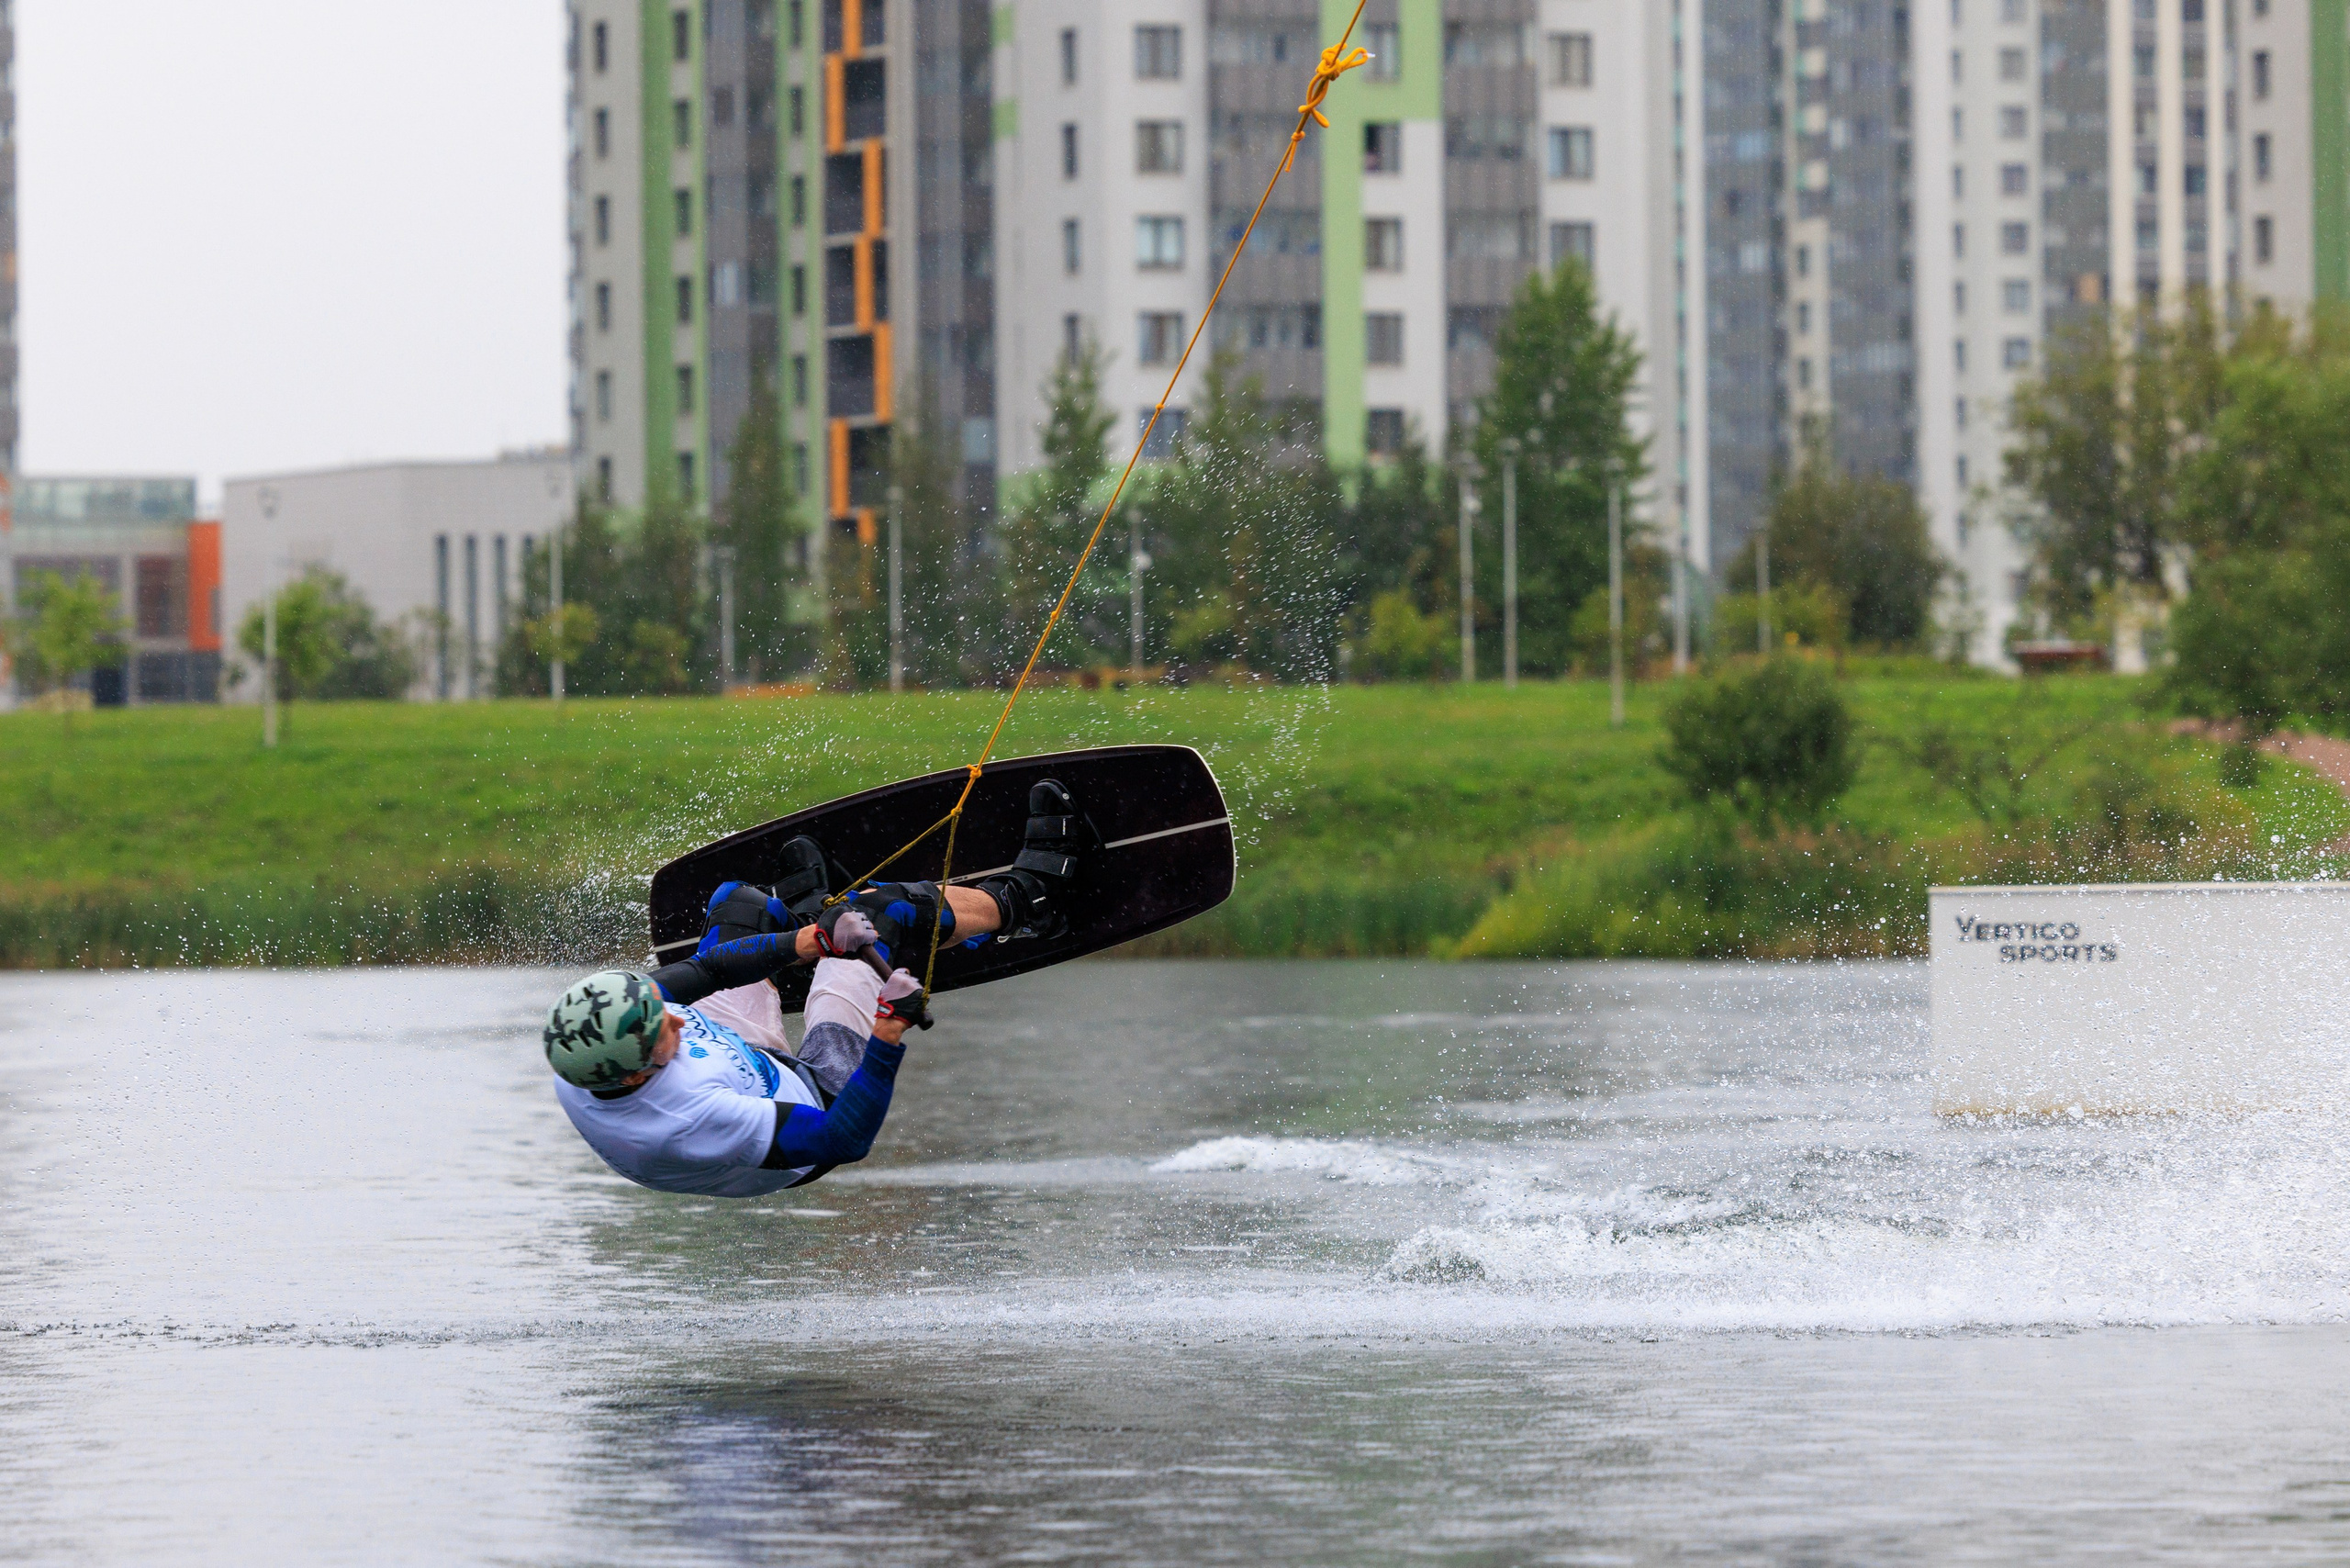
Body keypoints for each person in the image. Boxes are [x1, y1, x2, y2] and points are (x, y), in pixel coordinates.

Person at [543, 780, 1091, 1197]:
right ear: (635, 1075)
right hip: (816, 1098)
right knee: (883, 912)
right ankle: (1032, 899)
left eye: (658, 1008)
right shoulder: (689, 1121)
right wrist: (887, 1032)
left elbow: (708, 972)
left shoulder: (591, 1039)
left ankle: (815, 928)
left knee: (738, 905)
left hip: (738, 1062)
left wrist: (808, 940)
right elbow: (843, 1140)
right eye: (663, 1030)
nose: (677, 1016)